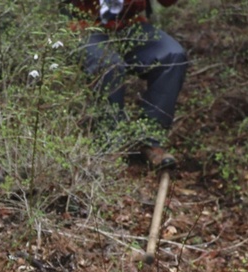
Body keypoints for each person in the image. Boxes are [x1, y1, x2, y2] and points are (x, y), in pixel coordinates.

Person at [65, 0, 188, 168]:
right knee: (109, 64)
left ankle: (150, 141)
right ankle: (110, 145)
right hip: (84, 25)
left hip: (129, 25)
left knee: (173, 56)